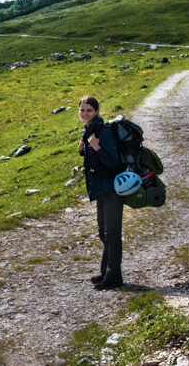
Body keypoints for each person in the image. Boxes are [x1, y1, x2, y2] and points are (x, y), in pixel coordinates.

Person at [78, 95, 123, 290]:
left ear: (97, 111)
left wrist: (95, 147)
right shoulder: (89, 130)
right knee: (104, 234)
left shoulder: (102, 132)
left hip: (112, 189)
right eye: (82, 110)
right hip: (101, 190)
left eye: (89, 110)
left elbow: (113, 161)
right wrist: (83, 150)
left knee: (112, 235)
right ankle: (105, 272)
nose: (85, 113)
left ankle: (114, 278)